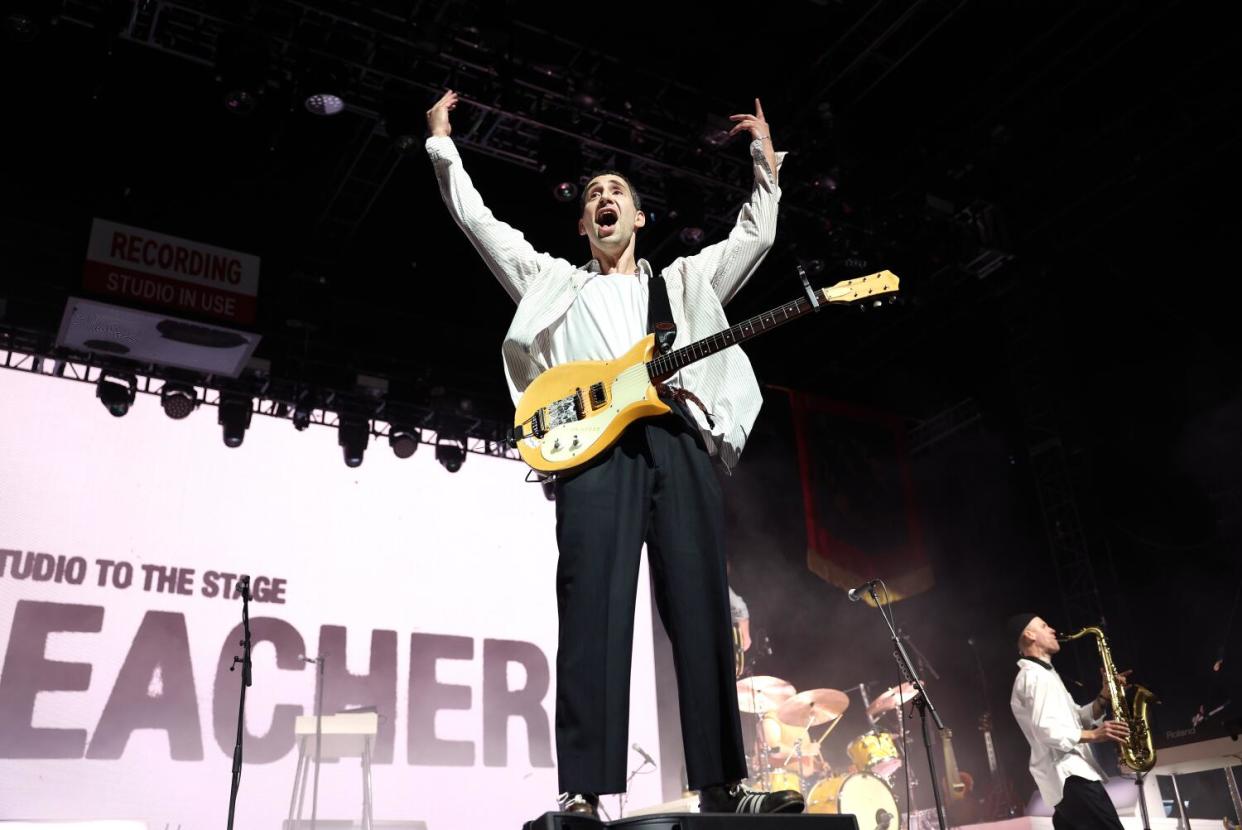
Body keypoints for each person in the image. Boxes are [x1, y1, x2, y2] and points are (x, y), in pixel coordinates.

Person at [424, 89, 798, 815]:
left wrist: (764, 162)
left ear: (637, 217)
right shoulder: (553, 281)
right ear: (583, 222)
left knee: (700, 608)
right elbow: (479, 223)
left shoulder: (683, 281)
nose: (604, 198)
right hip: (594, 454)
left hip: (677, 439)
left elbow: (754, 238)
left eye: (617, 193)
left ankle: (724, 787)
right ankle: (583, 797)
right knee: (591, 609)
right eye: (593, 193)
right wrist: (442, 141)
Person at [1008, 614, 1132, 830]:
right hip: (1070, 776)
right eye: (1044, 626)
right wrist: (1094, 735)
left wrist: (1104, 696)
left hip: (1068, 778)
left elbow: (1076, 718)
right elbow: (1046, 730)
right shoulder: (1034, 677)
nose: (1053, 630)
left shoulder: (1045, 674)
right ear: (1029, 635)